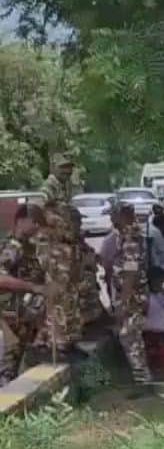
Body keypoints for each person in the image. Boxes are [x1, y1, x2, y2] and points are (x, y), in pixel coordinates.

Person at [41, 152, 85, 356]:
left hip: (67, 248)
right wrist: (53, 225)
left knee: (70, 295)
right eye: (62, 167)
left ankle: (69, 339)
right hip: (56, 249)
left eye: (69, 167)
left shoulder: (64, 187)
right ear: (53, 167)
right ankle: (56, 342)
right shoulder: (49, 186)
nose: (67, 171)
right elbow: (37, 208)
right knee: (58, 295)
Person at [0, 205, 47, 385]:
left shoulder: (29, 246)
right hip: (11, 311)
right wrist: (33, 287)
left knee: (16, 355)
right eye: (33, 222)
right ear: (21, 221)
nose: (36, 226)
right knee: (10, 356)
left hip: (22, 312)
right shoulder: (13, 247)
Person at [112, 204, 152, 385]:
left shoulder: (130, 238)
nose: (111, 220)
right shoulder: (128, 236)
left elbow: (131, 271)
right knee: (133, 337)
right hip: (134, 295)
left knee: (129, 337)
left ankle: (143, 381)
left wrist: (123, 302)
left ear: (122, 216)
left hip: (133, 296)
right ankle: (142, 378)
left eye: (114, 216)